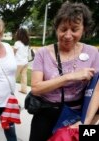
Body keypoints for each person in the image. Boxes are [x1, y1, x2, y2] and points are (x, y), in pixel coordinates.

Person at [29, 2, 99, 141]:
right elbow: (36, 88)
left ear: (83, 29)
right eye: (63, 29)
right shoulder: (43, 53)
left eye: (74, 29)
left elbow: (96, 91)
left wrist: (85, 124)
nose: (68, 35)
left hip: (77, 116)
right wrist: (70, 77)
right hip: (46, 114)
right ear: (56, 28)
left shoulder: (92, 52)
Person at [13, 28, 30, 94]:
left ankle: (10, 90)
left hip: (18, 63)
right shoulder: (27, 43)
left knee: (13, 77)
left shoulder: (17, 43)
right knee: (24, 76)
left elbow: (13, 53)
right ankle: (24, 89)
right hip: (25, 62)